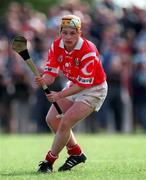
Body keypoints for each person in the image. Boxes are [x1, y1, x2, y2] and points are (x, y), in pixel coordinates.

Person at [35, 14, 108, 173]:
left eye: (73, 33)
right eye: (65, 32)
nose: (68, 37)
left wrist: (59, 95)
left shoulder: (88, 50)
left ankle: (48, 162)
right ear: (60, 32)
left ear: (80, 33)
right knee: (52, 119)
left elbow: (84, 84)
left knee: (65, 122)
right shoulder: (56, 45)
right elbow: (51, 75)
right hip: (74, 84)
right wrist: (44, 80)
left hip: (93, 89)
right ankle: (76, 153)